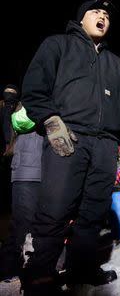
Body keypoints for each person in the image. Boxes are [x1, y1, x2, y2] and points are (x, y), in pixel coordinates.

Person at [20, 0, 120, 294]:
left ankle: (82, 269)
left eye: (106, 15)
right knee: (56, 206)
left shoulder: (117, 64)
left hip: (105, 145)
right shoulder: (58, 45)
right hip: (68, 137)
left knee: (93, 212)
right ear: (80, 19)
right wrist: (50, 120)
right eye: (96, 12)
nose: (102, 17)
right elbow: (34, 87)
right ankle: (39, 274)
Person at [0, 96, 42, 282]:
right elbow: (21, 122)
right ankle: (7, 267)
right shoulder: (26, 104)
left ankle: (31, 264)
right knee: (21, 224)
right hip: (25, 172)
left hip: (43, 172)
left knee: (38, 224)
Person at [1, 85, 20, 156]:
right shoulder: (1, 105)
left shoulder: (19, 107)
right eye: (7, 91)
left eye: (12, 92)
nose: (9, 93)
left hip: (15, 141)